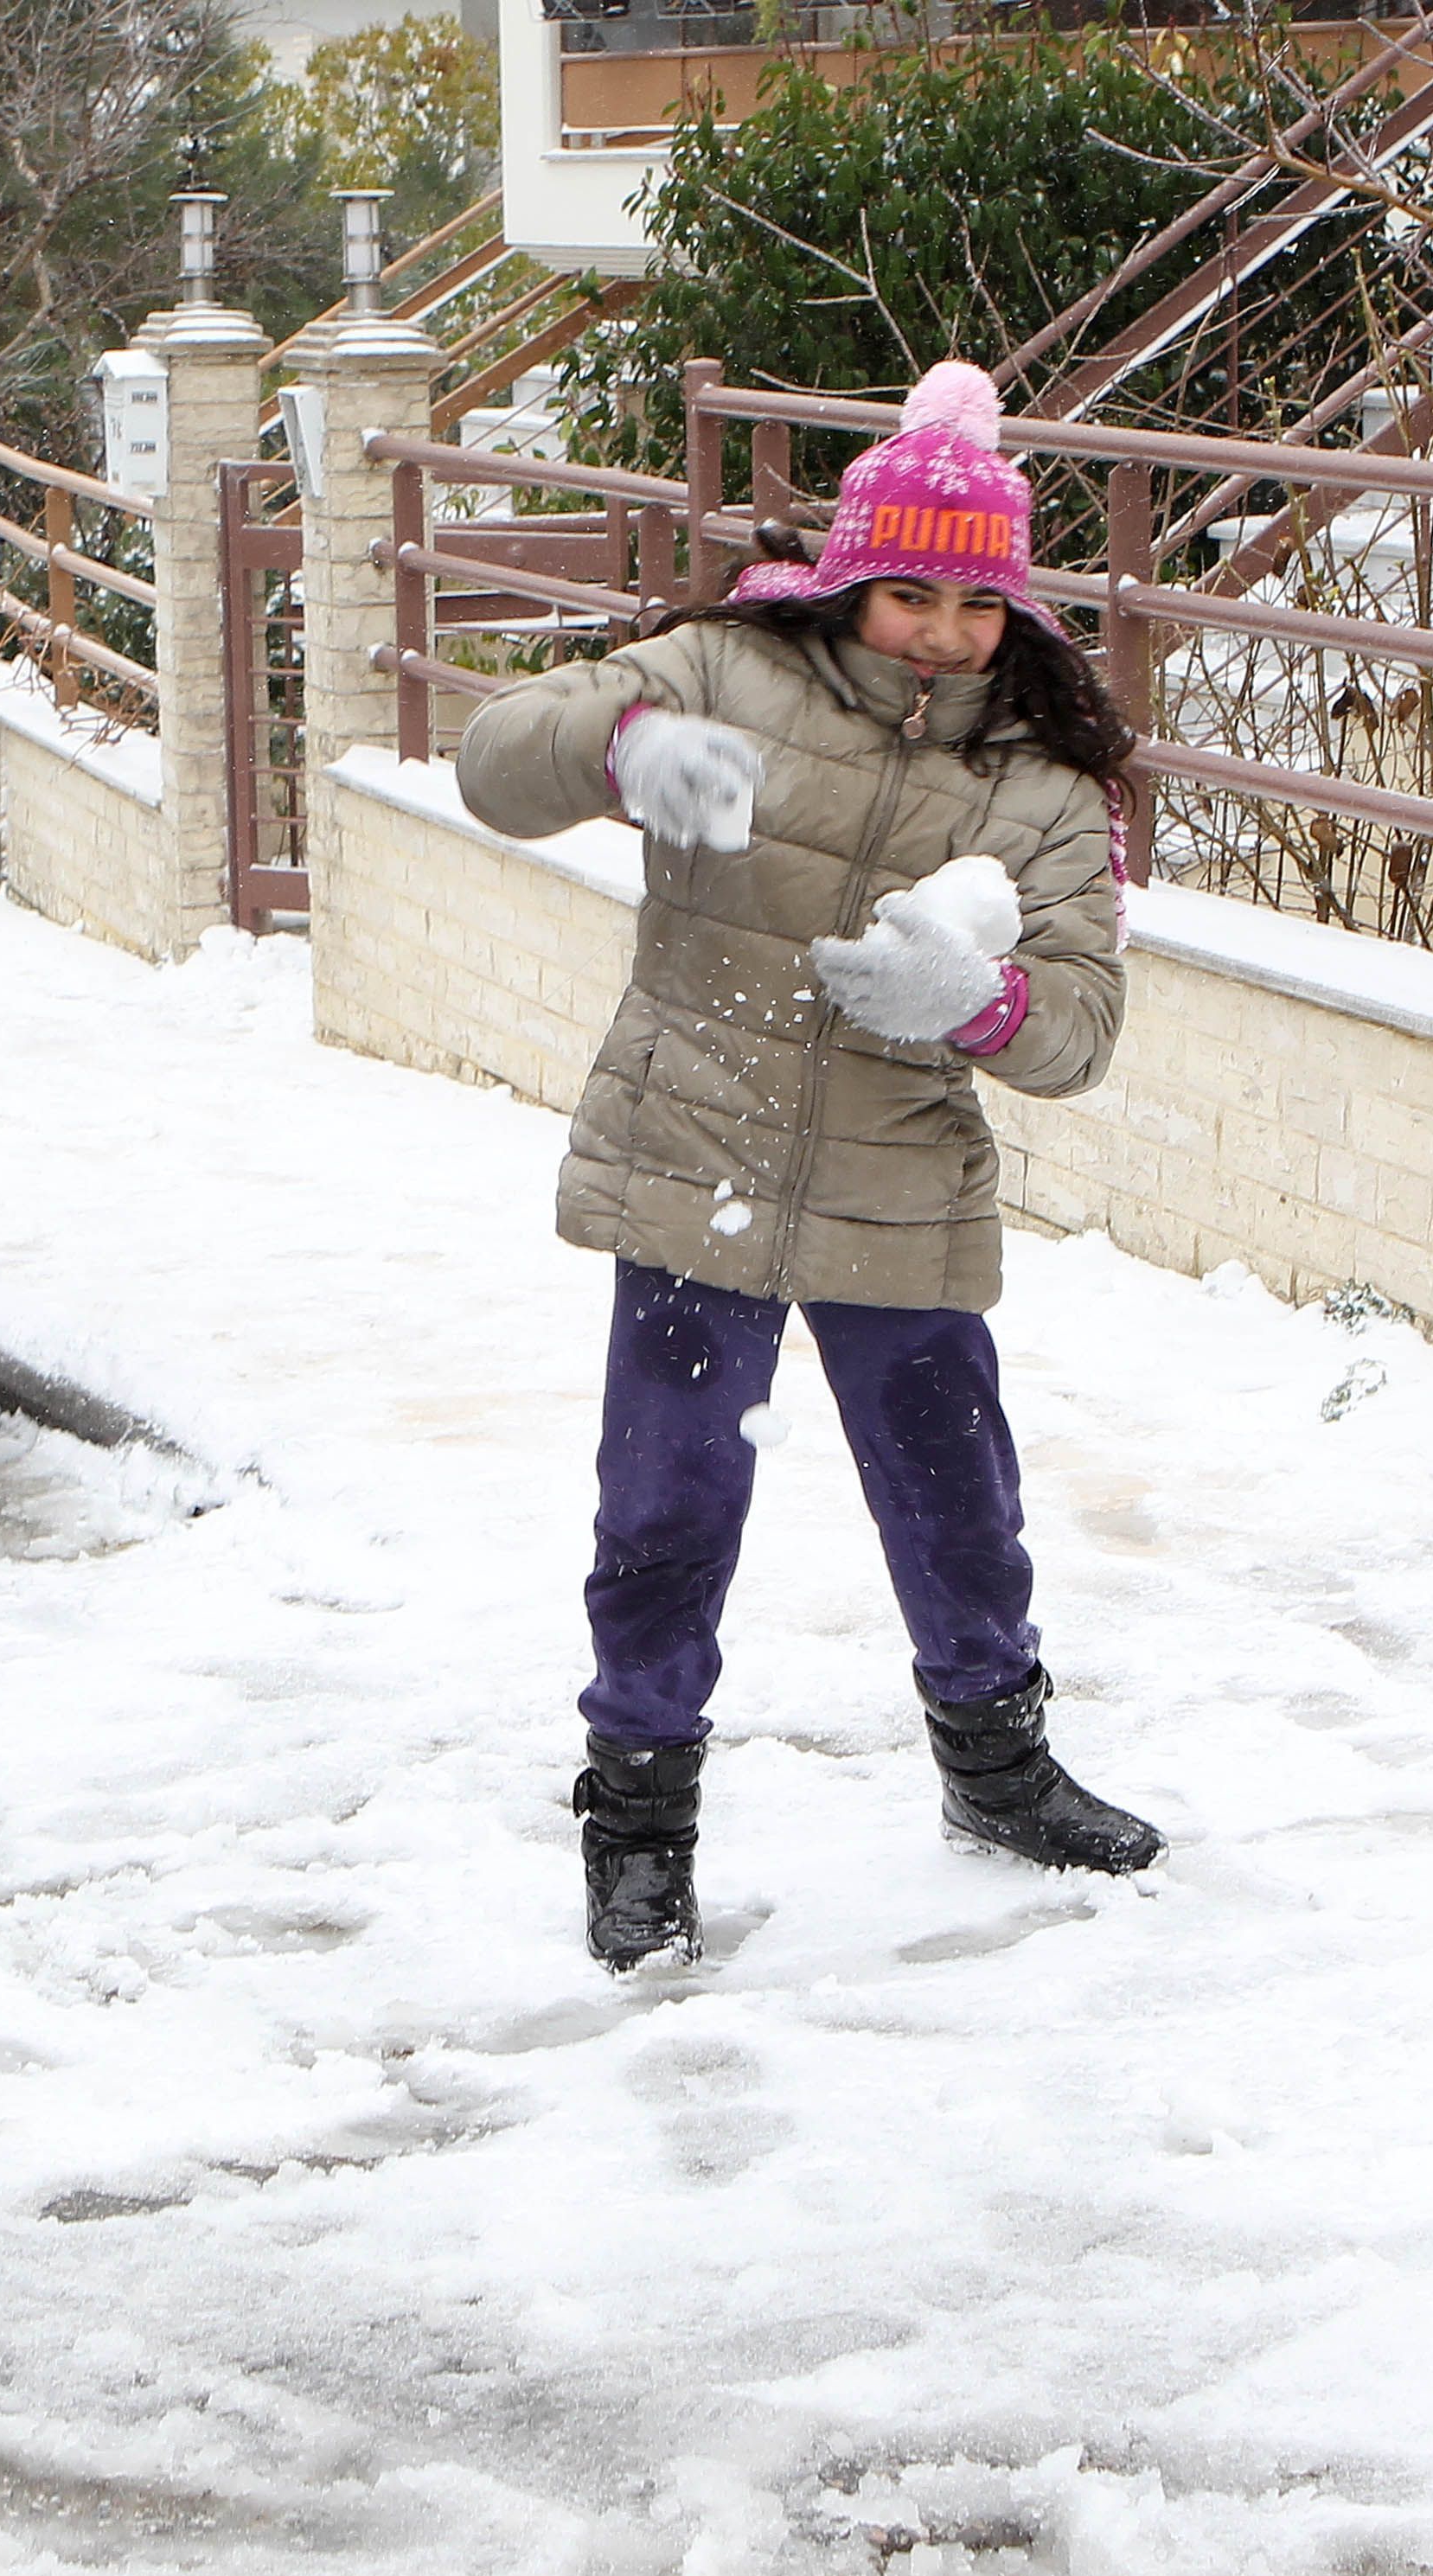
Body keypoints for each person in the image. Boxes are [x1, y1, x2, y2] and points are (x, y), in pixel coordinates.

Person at [456, 360, 1168, 1978]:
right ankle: (638, 1821)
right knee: (665, 1511)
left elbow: (1079, 1029)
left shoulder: (1045, 788)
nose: (939, 629)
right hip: (691, 1156)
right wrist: (621, 748)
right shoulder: (723, 672)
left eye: (975, 602)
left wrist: (974, 1001)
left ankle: (997, 1769)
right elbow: (497, 760)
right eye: (907, 591)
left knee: (958, 1508)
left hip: (901, 1190)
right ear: (852, 579)